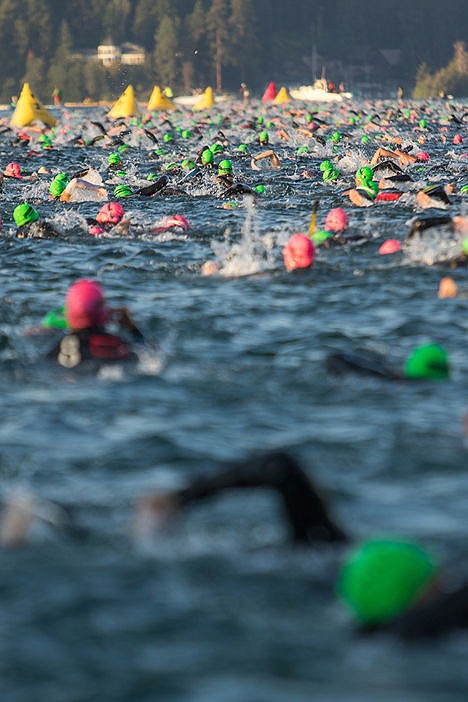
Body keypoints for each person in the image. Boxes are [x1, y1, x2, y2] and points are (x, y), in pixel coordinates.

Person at [135, 450, 468, 640]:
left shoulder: (326, 550)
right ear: (420, 596)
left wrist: (181, 498)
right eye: (437, 581)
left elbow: (281, 467)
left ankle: (167, 503)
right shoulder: (423, 626)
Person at [47, 279, 143, 368]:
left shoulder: (56, 348)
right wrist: (133, 329)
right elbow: (145, 351)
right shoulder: (115, 345)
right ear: (102, 312)